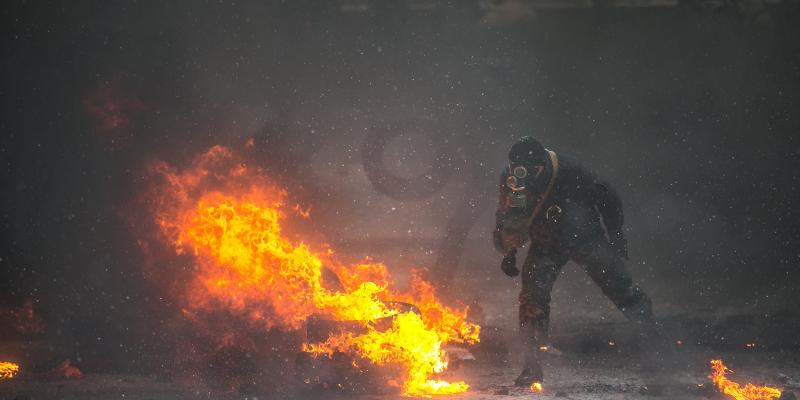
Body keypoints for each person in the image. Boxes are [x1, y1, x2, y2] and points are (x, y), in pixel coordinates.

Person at [493, 136, 656, 386]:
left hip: (585, 239)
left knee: (621, 289)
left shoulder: (569, 171)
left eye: (526, 169)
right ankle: (532, 366)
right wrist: (509, 252)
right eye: (515, 168)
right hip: (546, 242)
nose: (520, 174)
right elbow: (510, 215)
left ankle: (655, 349)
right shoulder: (513, 179)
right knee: (531, 300)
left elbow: (608, 197)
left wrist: (616, 236)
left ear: (540, 165)